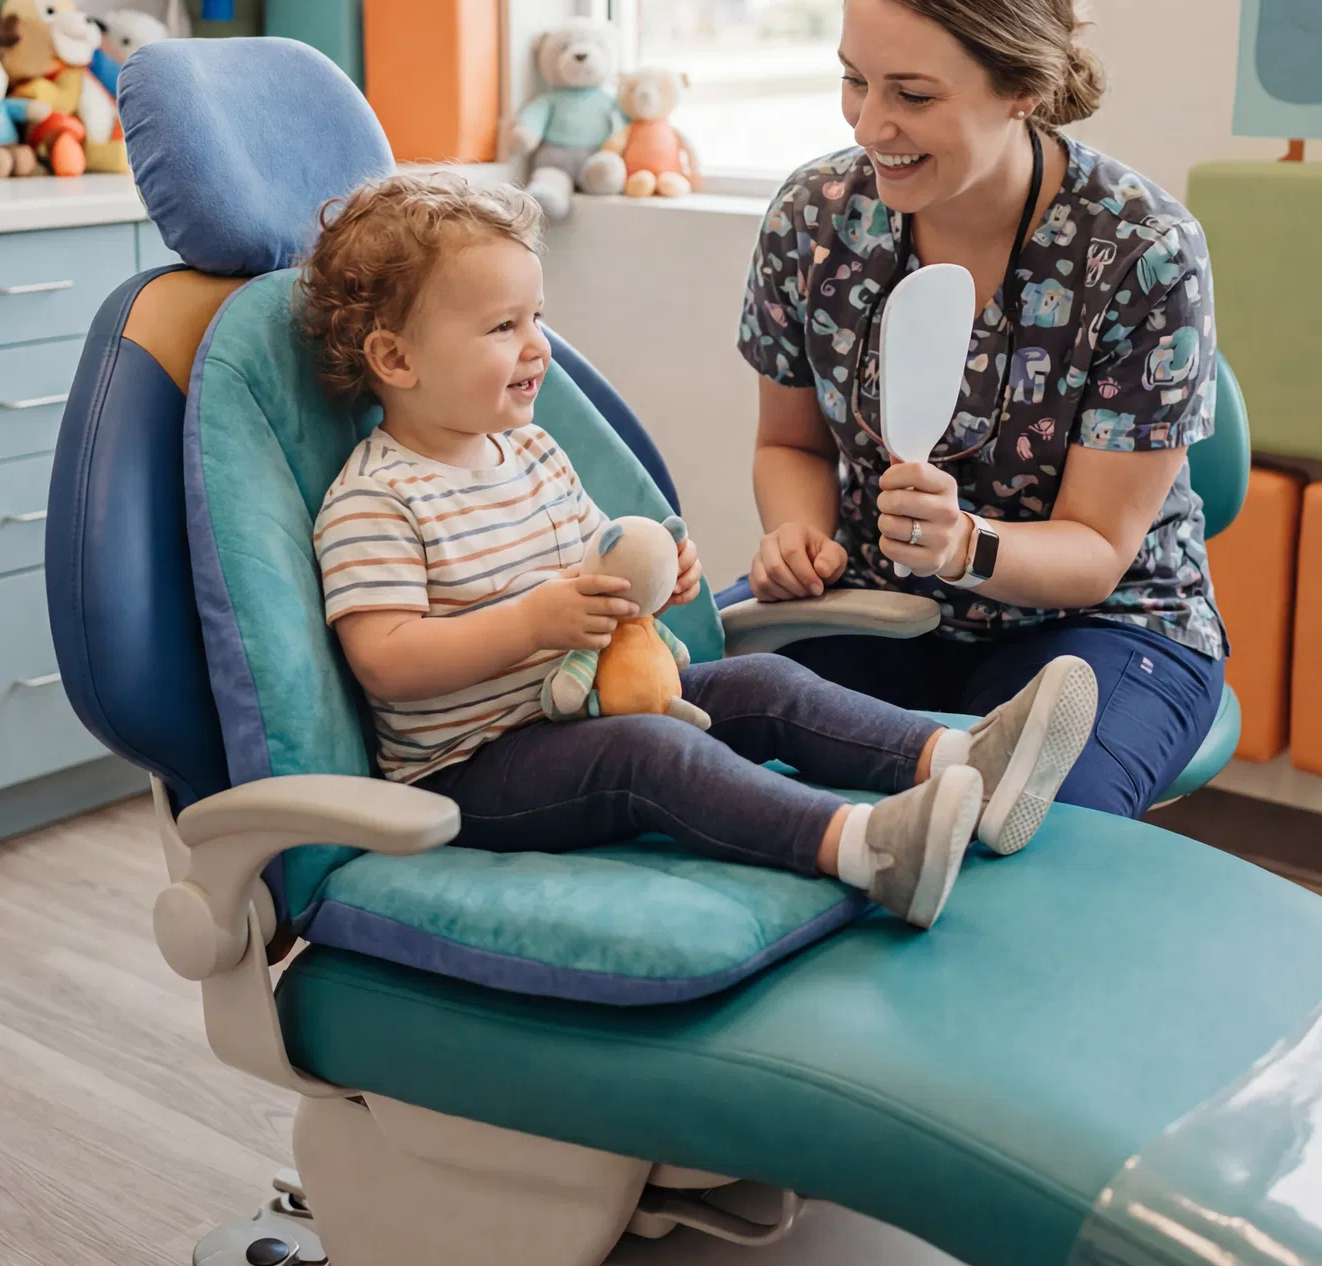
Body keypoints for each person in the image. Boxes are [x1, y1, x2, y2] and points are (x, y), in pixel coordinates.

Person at [300, 173, 1097, 932]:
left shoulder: (532, 451)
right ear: (396, 360)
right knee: (653, 755)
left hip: (585, 706)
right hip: (475, 770)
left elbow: (597, 558)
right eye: (503, 328)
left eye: (537, 317)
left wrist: (654, 577)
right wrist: (533, 622)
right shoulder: (377, 499)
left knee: (763, 683)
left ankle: (963, 759)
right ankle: (870, 848)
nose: (538, 347)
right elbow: (387, 661)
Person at [739, 0, 1226, 819]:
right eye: (855, 81)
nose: (867, 125)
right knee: (691, 740)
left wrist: (966, 545)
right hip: (875, 600)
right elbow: (792, 447)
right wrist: (797, 534)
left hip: (1101, 625)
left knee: (1024, 827)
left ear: (1023, 88)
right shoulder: (813, 219)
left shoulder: (1145, 250)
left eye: (912, 95)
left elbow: (1095, 552)